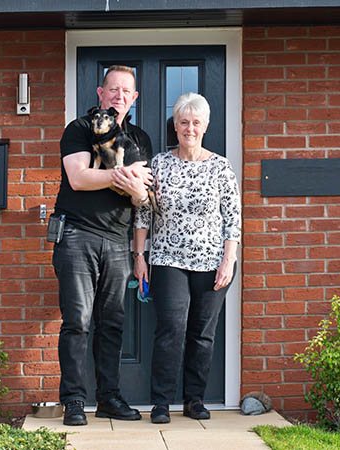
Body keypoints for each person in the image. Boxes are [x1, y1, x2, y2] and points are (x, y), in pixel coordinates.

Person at [129, 92, 241, 424]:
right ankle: (161, 402)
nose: (189, 128)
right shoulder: (160, 164)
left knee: (203, 333)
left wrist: (229, 259)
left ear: (205, 126)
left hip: (212, 263)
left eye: (195, 122)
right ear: (175, 126)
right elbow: (143, 213)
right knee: (170, 330)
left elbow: (233, 218)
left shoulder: (221, 167)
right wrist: (140, 255)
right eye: (183, 122)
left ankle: (194, 400)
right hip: (167, 260)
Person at [52, 65, 153, 426]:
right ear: (100, 92)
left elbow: (143, 196)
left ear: (134, 98)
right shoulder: (79, 129)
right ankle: (74, 401)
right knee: (77, 322)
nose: (119, 97)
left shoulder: (140, 138)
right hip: (77, 235)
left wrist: (133, 187)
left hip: (117, 241)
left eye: (126, 92)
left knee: (112, 323)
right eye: (113, 90)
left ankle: (109, 398)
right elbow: (79, 178)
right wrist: (124, 177)